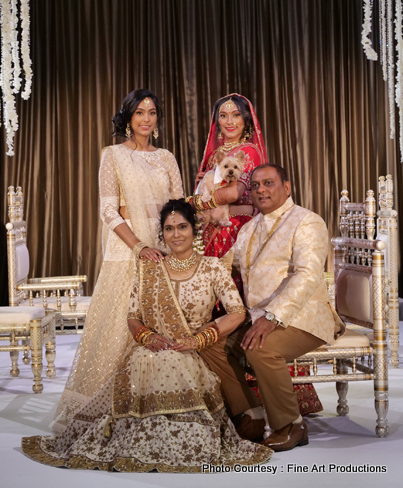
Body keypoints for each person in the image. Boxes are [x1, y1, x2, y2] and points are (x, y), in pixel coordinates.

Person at [22, 200, 272, 472]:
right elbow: (133, 316)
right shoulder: (149, 268)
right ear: (161, 233)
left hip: (191, 351)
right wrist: (147, 338)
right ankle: (142, 443)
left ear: (194, 230)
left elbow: (237, 312)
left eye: (182, 227)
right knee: (148, 359)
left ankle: (177, 442)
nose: (176, 234)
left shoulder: (212, 267)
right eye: (169, 228)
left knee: (171, 361)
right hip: (151, 349)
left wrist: (198, 339)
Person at [51, 90, 184, 433]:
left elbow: (178, 207)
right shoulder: (112, 155)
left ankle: (156, 401)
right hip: (128, 250)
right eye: (139, 112)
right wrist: (139, 245)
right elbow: (108, 210)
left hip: (163, 246)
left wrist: (168, 243)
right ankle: (108, 404)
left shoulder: (167, 157)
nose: (146, 119)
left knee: (161, 322)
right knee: (119, 324)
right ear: (127, 118)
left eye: (152, 112)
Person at [200, 163, 344, 452]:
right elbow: (224, 266)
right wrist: (183, 275)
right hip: (258, 318)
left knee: (261, 347)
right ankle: (251, 414)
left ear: (286, 187)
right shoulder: (250, 228)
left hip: (305, 318)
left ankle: (291, 425)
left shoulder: (307, 221)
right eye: (255, 185)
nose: (261, 190)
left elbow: (307, 274)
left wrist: (272, 317)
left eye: (269, 183)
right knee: (209, 342)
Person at [194, 93, 268, 259]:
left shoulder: (248, 151)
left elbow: (234, 194)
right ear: (217, 121)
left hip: (235, 226)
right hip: (210, 225)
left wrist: (194, 202)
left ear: (246, 119)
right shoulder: (215, 155)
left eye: (236, 115)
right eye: (223, 116)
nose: (229, 122)